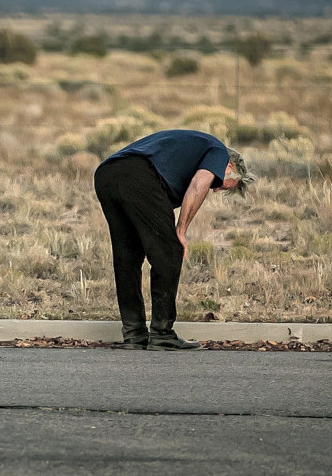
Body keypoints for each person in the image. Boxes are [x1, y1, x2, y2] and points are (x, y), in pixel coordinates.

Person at [93, 129, 256, 350]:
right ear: (229, 166)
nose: (215, 188)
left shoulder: (189, 152)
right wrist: (180, 231)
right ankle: (162, 334)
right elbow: (198, 185)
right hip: (138, 174)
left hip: (107, 174)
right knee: (170, 251)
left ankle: (134, 335)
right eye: (221, 184)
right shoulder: (218, 151)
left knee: (128, 257)